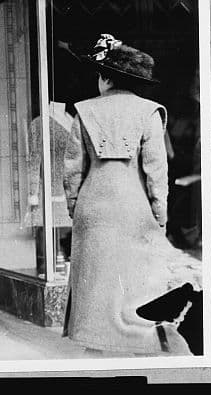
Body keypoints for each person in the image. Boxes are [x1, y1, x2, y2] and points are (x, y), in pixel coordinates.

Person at [62, 33, 187, 355]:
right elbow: (157, 173)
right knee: (136, 281)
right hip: (135, 209)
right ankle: (136, 345)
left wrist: (75, 207)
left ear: (105, 78)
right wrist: (160, 217)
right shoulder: (150, 113)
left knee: (95, 281)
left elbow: (73, 169)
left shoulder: (83, 111)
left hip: (94, 208)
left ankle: (94, 347)